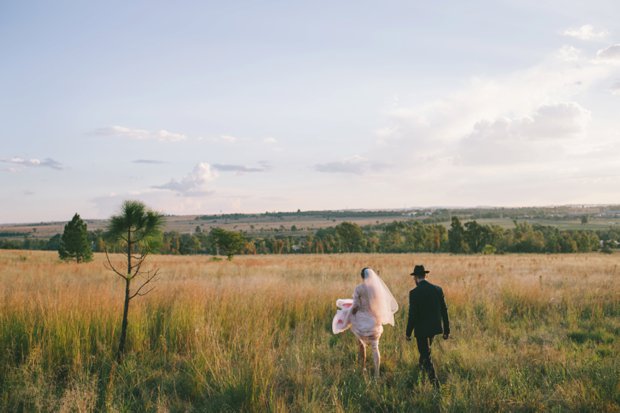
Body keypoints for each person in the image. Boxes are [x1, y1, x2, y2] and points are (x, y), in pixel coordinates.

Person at [332, 267, 398, 378]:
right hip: (374, 322)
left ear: (362, 277)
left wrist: (349, 314)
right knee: (375, 347)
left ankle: (363, 369)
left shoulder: (359, 289)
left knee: (361, 345)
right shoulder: (377, 289)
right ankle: (376, 373)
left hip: (361, 322)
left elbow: (356, 306)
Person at [405, 265, 450, 386]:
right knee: (425, 352)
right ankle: (420, 373)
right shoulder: (437, 289)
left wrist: (408, 333)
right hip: (434, 328)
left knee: (425, 355)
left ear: (415, 278)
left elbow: (412, 315)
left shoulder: (414, 293)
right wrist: (447, 330)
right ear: (425, 275)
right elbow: (444, 311)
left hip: (421, 330)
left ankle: (435, 385)